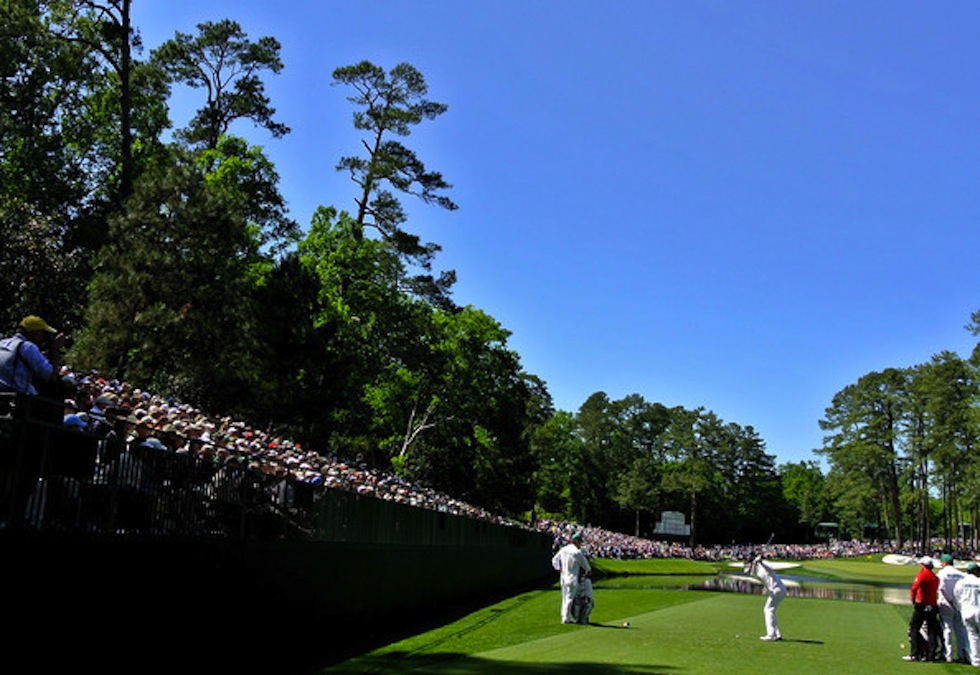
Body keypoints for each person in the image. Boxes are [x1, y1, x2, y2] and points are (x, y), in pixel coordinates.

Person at [0, 315, 63, 395]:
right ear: (35, 333)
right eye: (43, 333)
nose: (44, 337)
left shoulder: (2, 343)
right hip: (17, 397)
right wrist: (55, 350)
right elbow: (51, 376)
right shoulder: (28, 347)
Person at [905, 556, 941, 662]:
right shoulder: (935, 577)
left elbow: (914, 588)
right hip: (933, 605)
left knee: (914, 628)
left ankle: (915, 654)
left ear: (923, 565)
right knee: (932, 631)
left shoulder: (922, 574)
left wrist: (913, 600)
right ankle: (931, 655)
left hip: (922, 604)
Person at [745, 553, 786, 641]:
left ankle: (771, 635)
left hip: (778, 589)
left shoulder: (764, 564)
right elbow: (751, 572)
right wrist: (756, 562)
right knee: (771, 611)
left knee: (768, 610)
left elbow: (771, 568)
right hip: (776, 590)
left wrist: (761, 561)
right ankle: (777, 634)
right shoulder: (755, 571)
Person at [552, 532, 591, 624]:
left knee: (564, 597)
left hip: (563, 577)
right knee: (569, 598)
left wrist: (559, 569)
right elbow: (586, 566)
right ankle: (566, 618)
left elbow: (554, 560)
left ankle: (565, 616)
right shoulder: (577, 552)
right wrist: (588, 571)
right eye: (579, 542)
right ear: (576, 542)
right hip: (572, 577)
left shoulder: (563, 550)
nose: (580, 544)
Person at [937, 553, 969, 663]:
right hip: (959, 604)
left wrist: (949, 599)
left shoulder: (942, 573)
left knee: (947, 629)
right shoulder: (961, 574)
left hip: (946, 603)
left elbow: (941, 588)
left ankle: (948, 655)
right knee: (960, 630)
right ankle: (962, 654)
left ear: (944, 563)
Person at [954, 562, 980, 667]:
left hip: (967, 612)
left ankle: (976, 661)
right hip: (978, 609)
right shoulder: (979, 581)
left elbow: (956, 597)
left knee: (972, 636)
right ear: (976, 571)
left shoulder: (961, 582)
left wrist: (960, 608)